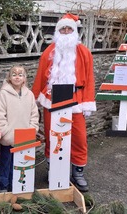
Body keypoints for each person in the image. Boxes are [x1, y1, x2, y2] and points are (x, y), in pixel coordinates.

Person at [31, 13, 96, 192]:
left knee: (79, 138)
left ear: (74, 31)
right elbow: (40, 77)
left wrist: (88, 102)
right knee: (54, 136)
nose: (66, 31)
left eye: (69, 28)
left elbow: (90, 79)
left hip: (76, 100)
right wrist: (33, 99)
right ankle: (55, 169)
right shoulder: (49, 52)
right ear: (58, 31)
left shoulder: (84, 52)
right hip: (52, 100)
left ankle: (78, 172)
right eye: (63, 29)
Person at [0, 65, 39, 192]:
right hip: (9, 139)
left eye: (20, 74)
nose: (17, 77)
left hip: (25, 138)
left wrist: (32, 130)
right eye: (14, 74)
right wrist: (6, 133)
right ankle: (3, 187)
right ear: (9, 77)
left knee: (21, 165)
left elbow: (34, 115)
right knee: (5, 164)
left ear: (24, 78)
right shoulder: (3, 95)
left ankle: (18, 187)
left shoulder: (29, 95)